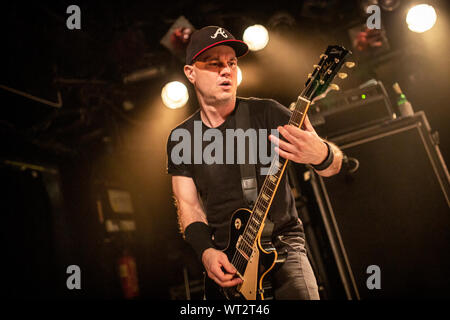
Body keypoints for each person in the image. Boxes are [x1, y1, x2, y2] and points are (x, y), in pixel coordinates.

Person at [166, 26, 343, 300]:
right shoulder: (181, 138)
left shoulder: (268, 113)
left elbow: (334, 166)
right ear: (191, 73)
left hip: (283, 248)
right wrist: (207, 253)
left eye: (231, 63)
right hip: (229, 264)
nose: (226, 70)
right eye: (214, 64)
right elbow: (188, 206)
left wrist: (322, 154)